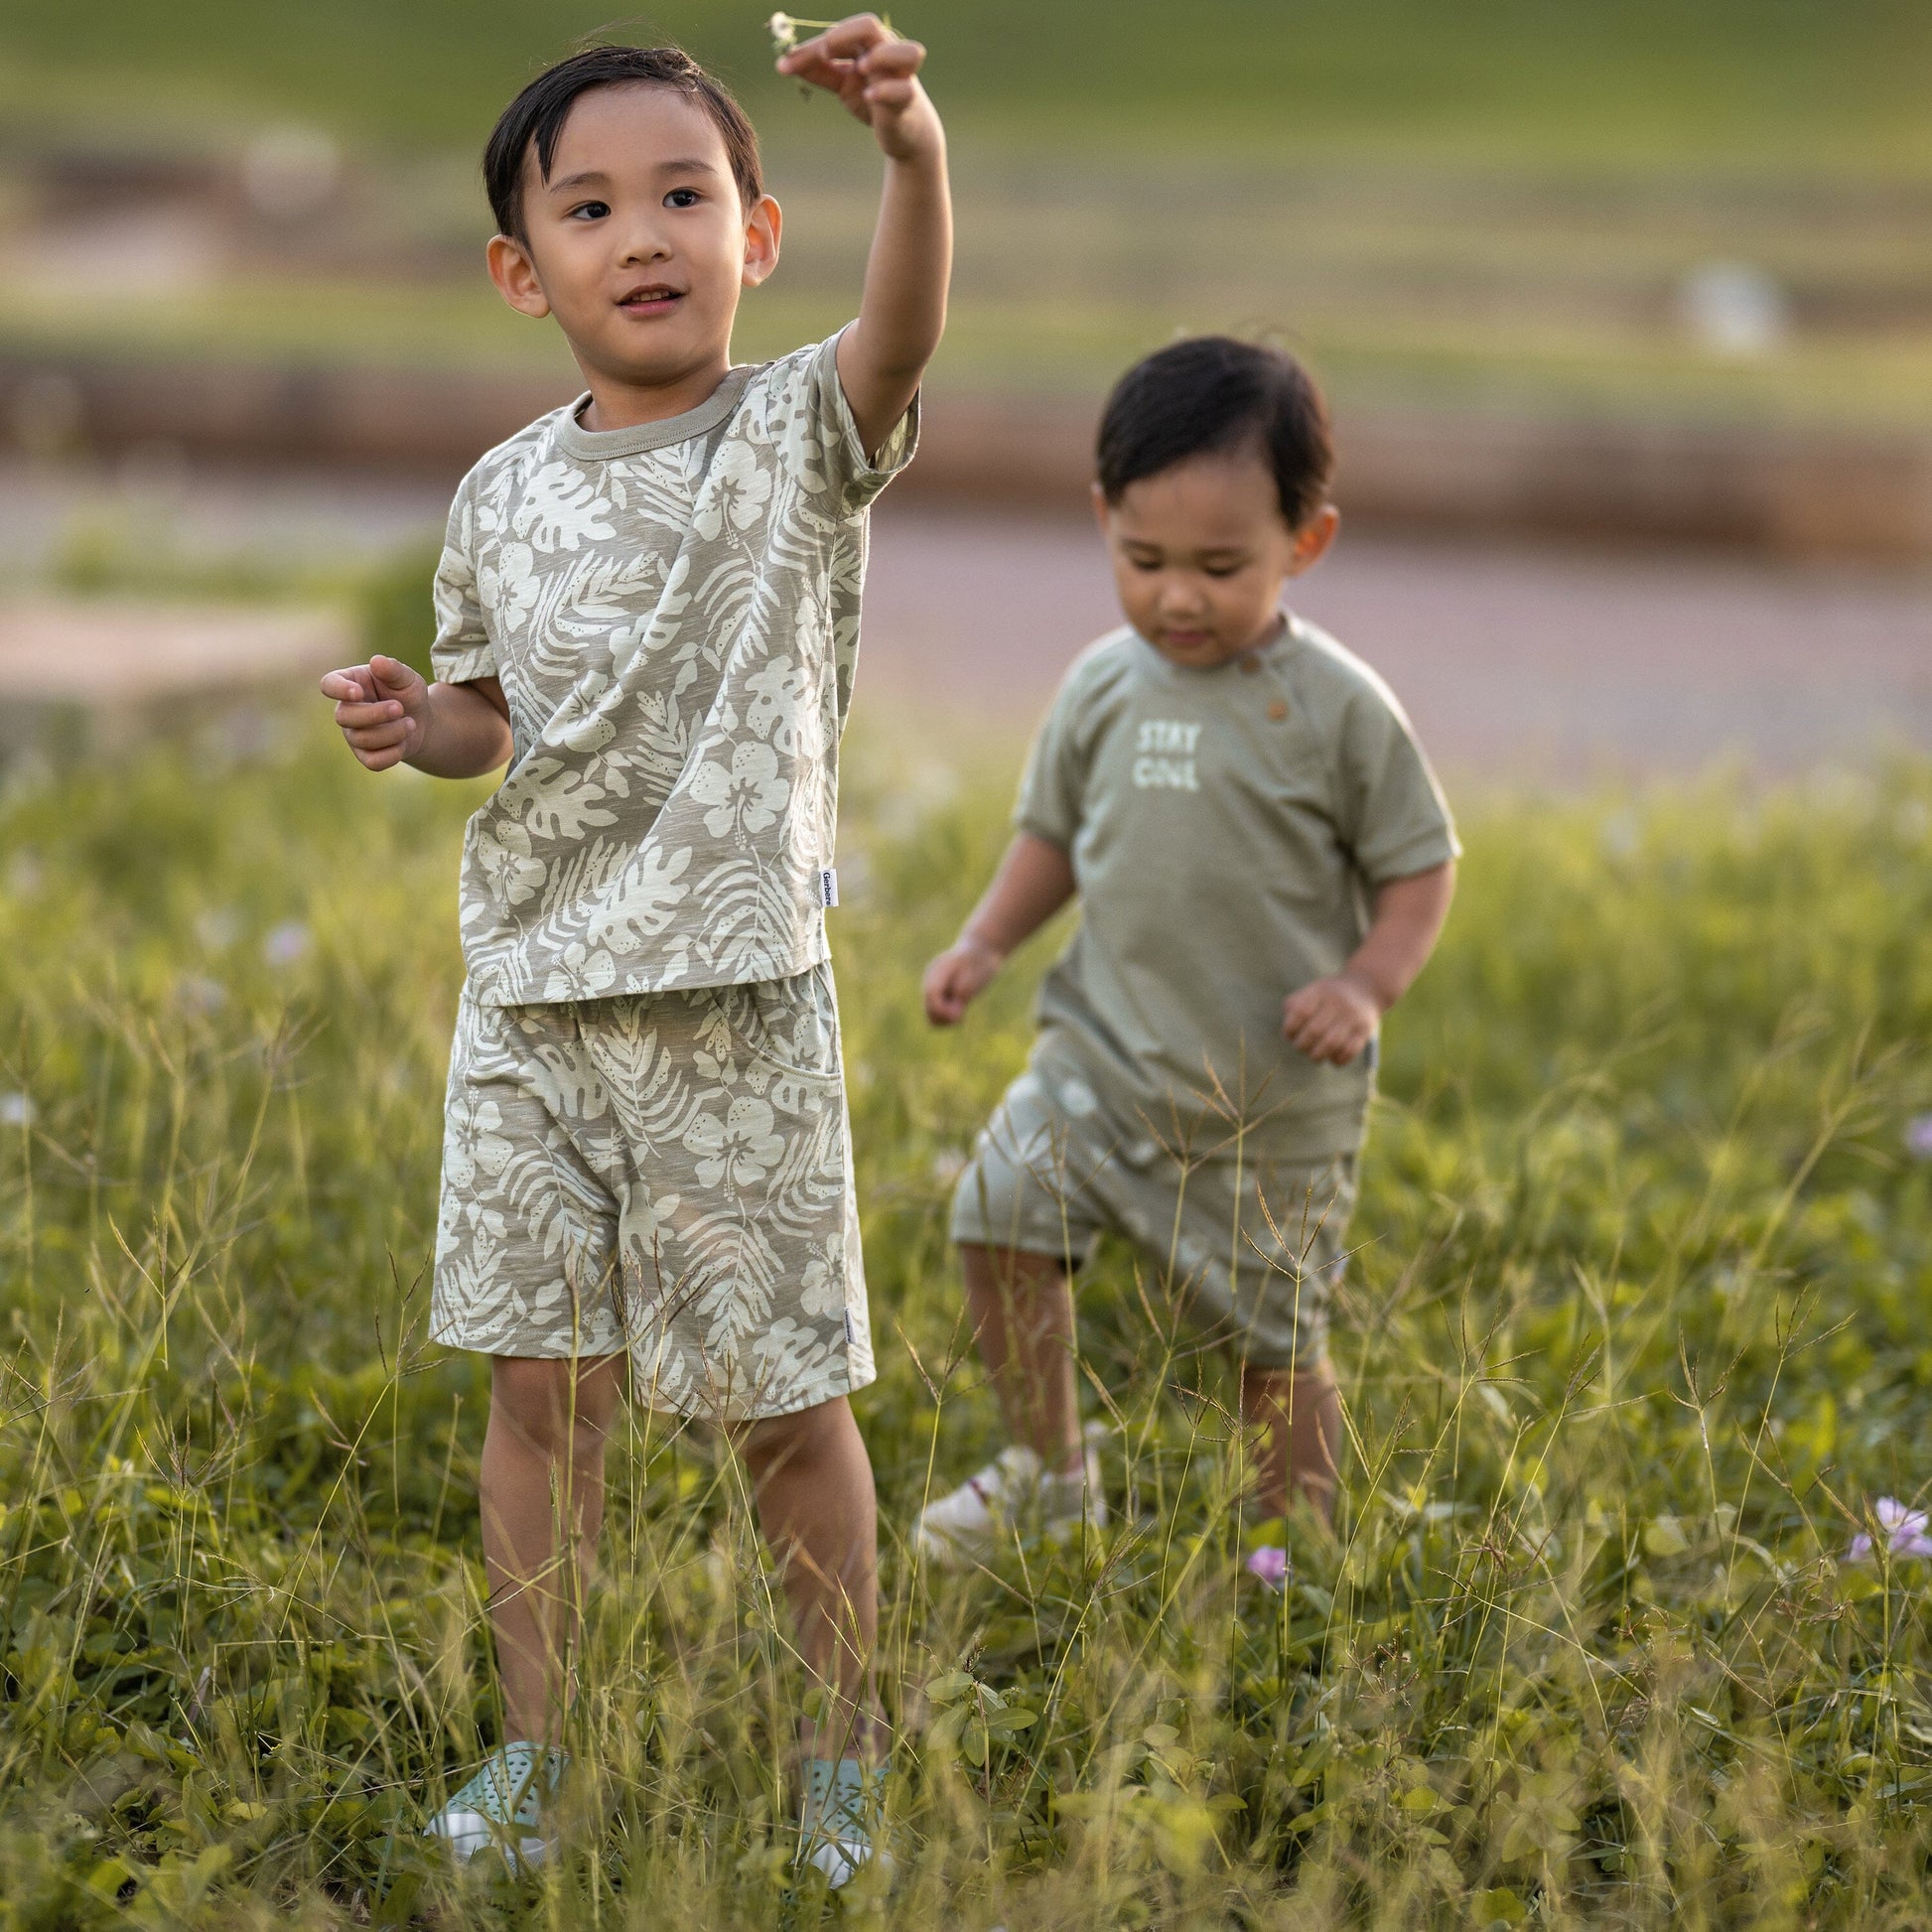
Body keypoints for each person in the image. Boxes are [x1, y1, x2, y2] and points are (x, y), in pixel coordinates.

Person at [319, 19, 948, 1883]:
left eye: (685, 194)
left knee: (778, 1406)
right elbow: (488, 721)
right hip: (526, 997)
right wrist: (410, 721)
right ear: (527, 272)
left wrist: (909, 149)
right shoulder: (499, 489)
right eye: (589, 208)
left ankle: (845, 1751)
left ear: (759, 234)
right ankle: (536, 1752)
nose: (643, 232)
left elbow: (903, 334)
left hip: (729, 999)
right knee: (539, 1391)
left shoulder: (798, 434)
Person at [916, 337, 1456, 1581]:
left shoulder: (1335, 708)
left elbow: (1420, 864)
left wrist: (1365, 981)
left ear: (1303, 543)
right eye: (1142, 559)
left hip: (1264, 1105)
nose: (1176, 598)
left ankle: (1299, 1552)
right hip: (1097, 1063)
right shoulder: (1102, 686)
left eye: (1221, 567)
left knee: (1272, 1341)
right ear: (1102, 518)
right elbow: (1054, 832)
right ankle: (1048, 1472)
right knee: (994, 1217)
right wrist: (986, 938)